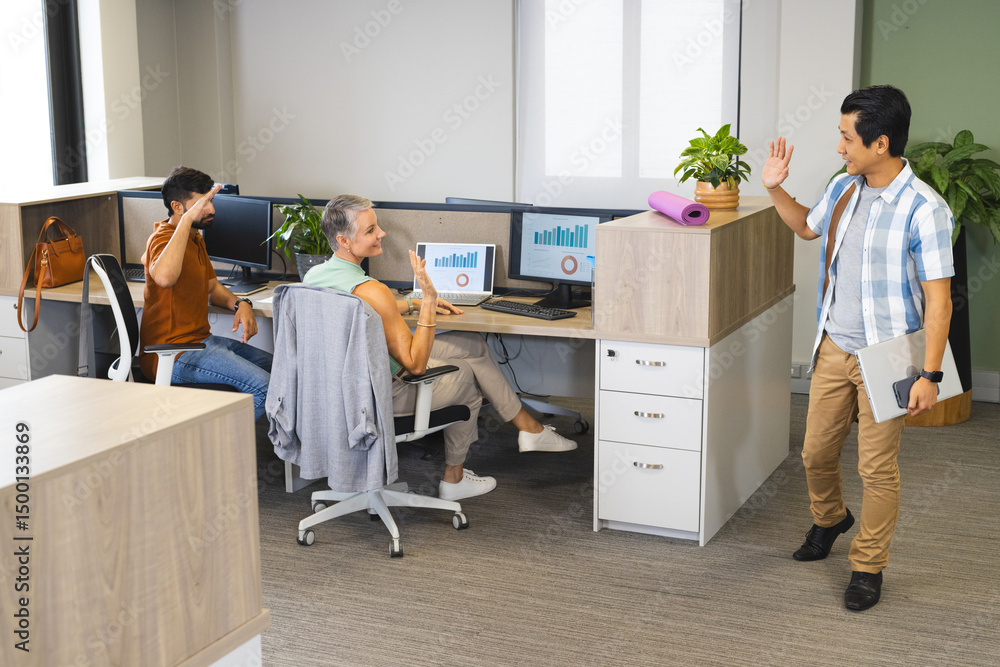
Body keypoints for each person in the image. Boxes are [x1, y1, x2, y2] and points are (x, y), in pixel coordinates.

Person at [762, 85, 954, 611]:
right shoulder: (844, 188)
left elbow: (940, 303)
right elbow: (807, 228)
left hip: (889, 356)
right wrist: (776, 189)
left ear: (881, 142)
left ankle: (868, 565)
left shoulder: (925, 209)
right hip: (834, 345)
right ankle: (830, 519)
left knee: (877, 469)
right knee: (815, 453)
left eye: (848, 137)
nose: (839, 147)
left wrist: (929, 376)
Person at [304, 194, 577, 501]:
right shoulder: (373, 291)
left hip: (335, 395)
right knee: (469, 377)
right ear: (344, 240)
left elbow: (364, 308)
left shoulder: (313, 279)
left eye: (376, 226)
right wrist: (428, 301)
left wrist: (409, 303)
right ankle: (454, 479)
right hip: (377, 398)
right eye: (370, 230)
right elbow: (416, 365)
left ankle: (529, 429)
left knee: (470, 344)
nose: (382, 233)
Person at [139, 166, 272, 420]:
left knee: (280, 370)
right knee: (263, 388)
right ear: (177, 207)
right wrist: (187, 221)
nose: (211, 210)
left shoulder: (195, 238)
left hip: (202, 342)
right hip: (173, 354)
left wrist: (240, 304)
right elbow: (165, 278)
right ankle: (220, 446)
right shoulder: (162, 239)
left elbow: (212, 287)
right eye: (202, 204)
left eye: (211, 201)